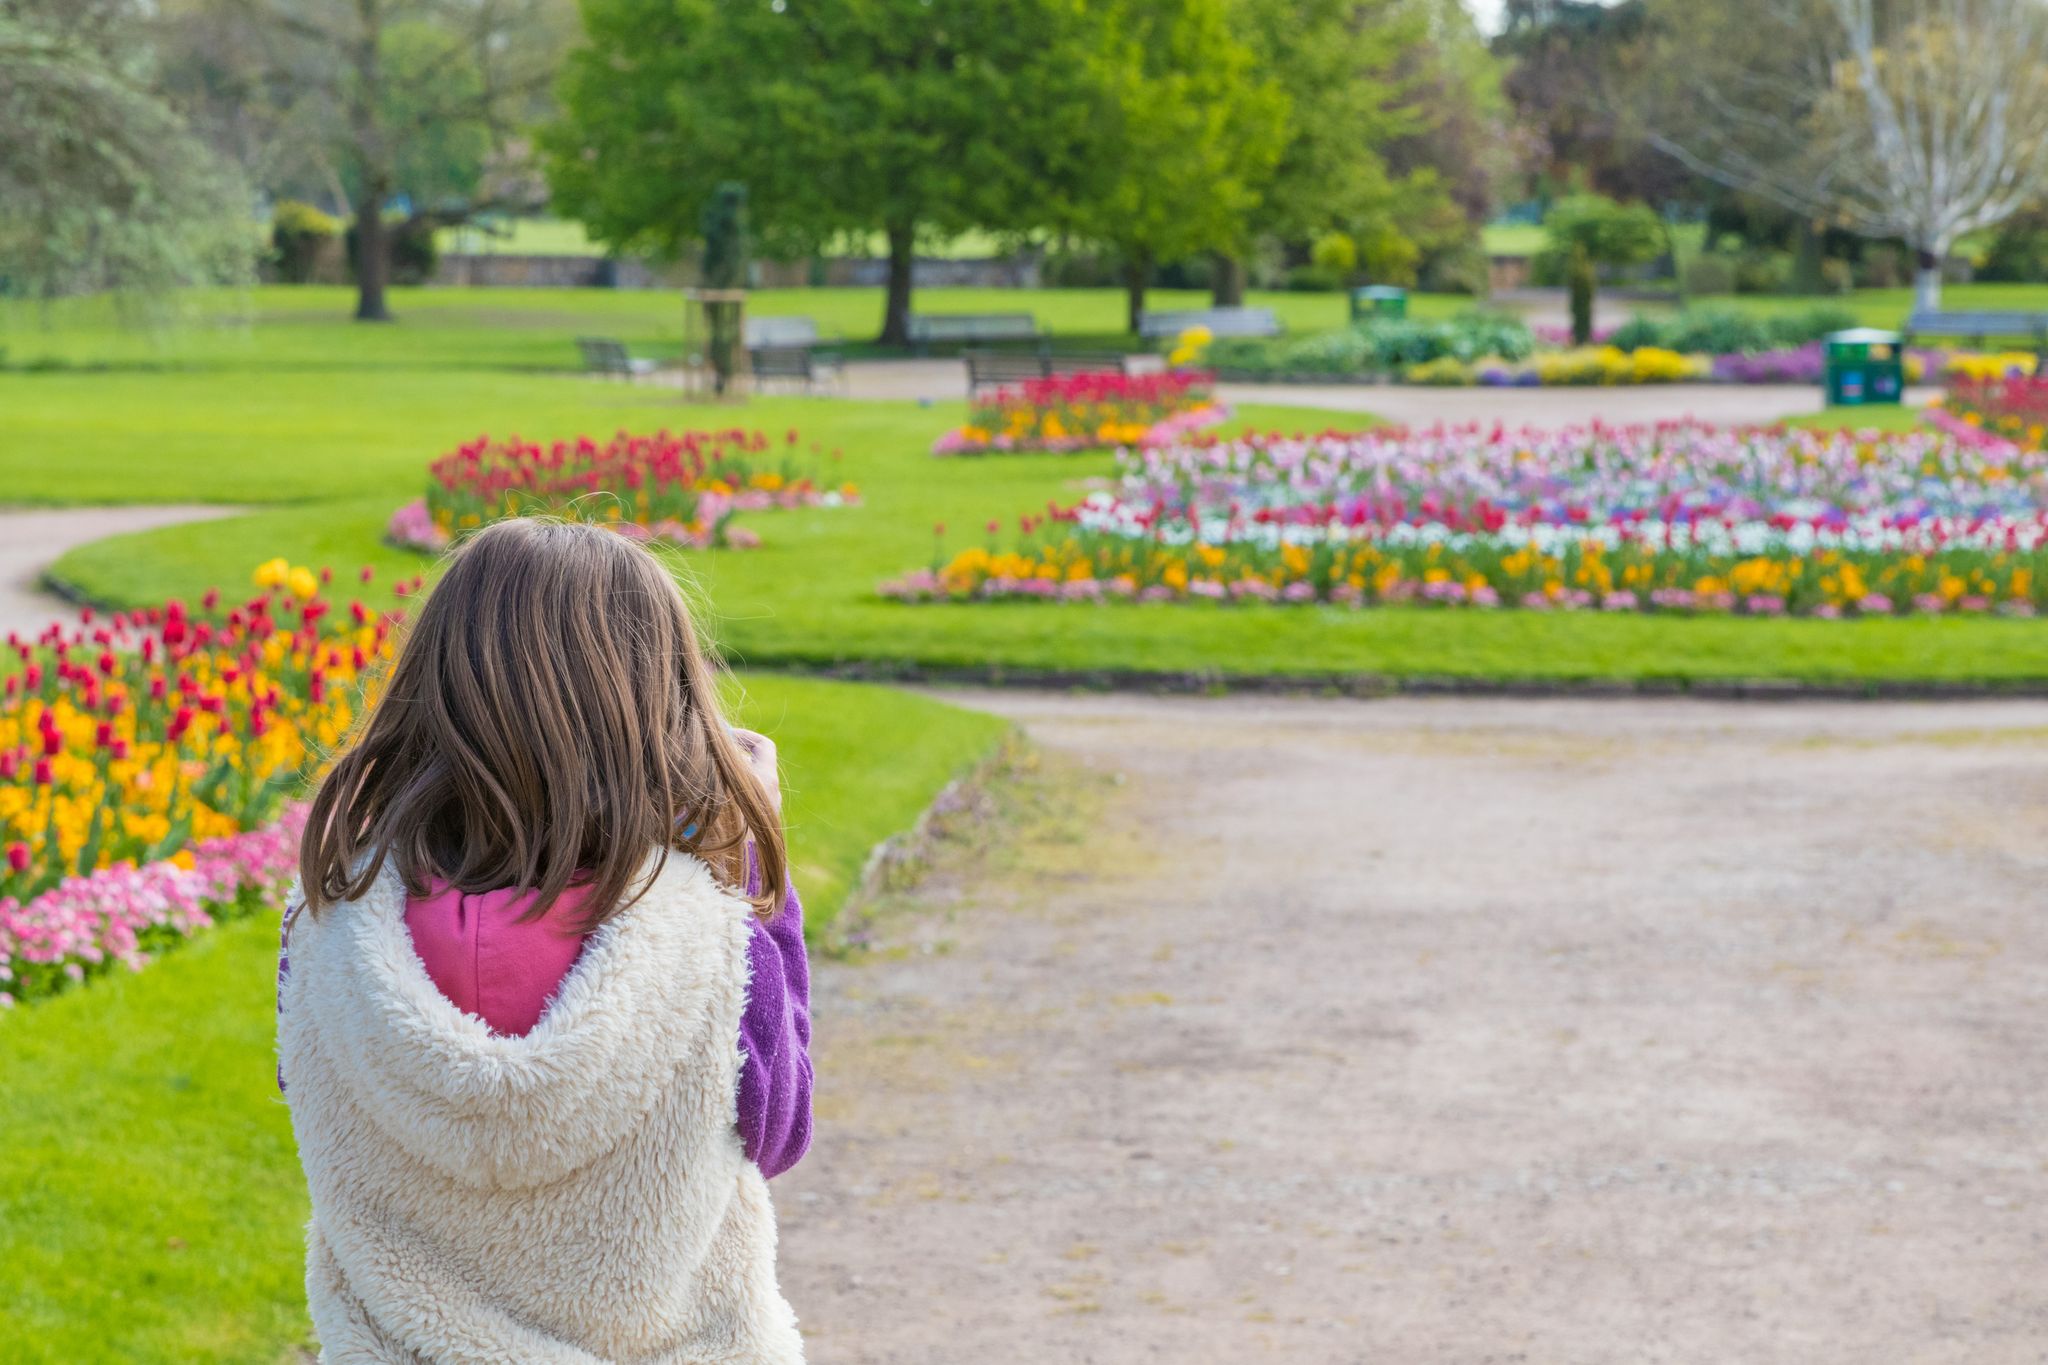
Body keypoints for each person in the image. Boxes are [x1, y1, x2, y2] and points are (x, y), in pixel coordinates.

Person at [277, 518, 810, 1363]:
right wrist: (754, 883)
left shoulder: (328, 927)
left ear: (433, 688)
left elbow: (312, 1099)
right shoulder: (702, 941)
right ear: (653, 704)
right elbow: (779, 1128)